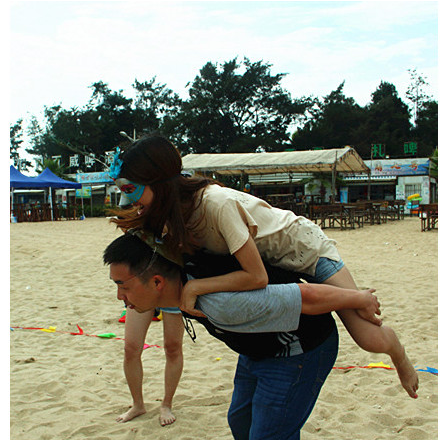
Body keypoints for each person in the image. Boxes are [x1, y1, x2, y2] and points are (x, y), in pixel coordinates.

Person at [103, 231, 385, 440]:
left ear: (157, 282)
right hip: (257, 346)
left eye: (123, 286)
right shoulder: (185, 283)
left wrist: (359, 298)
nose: (120, 297)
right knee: (241, 419)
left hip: (300, 348)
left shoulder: (219, 302)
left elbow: (307, 298)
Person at [108, 135, 419, 400]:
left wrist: (197, 286)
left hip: (305, 250)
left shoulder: (215, 205)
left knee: (367, 337)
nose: (129, 201)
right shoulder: (170, 214)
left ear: (159, 182)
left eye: (130, 188)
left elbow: (256, 277)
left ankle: (398, 353)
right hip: (271, 263)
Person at [108, 157, 184, 427]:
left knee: (172, 347)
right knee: (131, 347)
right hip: (141, 286)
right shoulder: (135, 214)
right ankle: (138, 404)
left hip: (169, 284)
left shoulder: (173, 211)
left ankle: (166, 403)